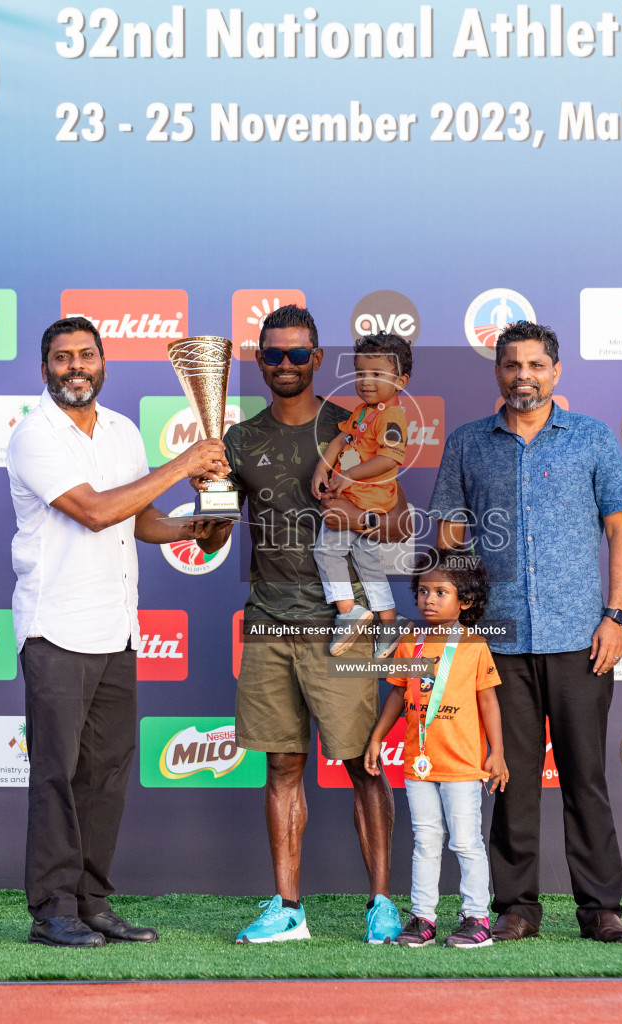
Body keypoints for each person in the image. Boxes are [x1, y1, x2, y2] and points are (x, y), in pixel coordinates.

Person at [7, 316, 231, 948]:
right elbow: (98, 511)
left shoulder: (124, 431)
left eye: (85, 355)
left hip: (117, 628)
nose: (75, 366)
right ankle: (52, 909)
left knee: (104, 775)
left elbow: (141, 520)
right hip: (55, 627)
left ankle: (92, 901)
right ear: (44, 368)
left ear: (103, 362)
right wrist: (185, 459)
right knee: (57, 772)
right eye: (62, 358)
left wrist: (197, 528)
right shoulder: (35, 435)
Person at [203, 305, 412, 944]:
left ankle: (381, 904)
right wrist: (208, 495)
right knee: (283, 769)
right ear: (259, 361)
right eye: (274, 355)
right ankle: (288, 908)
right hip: (269, 625)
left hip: (342, 627)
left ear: (319, 360)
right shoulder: (237, 440)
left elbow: (401, 529)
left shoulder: (357, 424)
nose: (286, 365)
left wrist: (361, 523)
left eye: (299, 355)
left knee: (364, 765)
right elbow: (212, 540)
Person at [428, 320, 622, 943]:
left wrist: (617, 616)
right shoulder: (469, 443)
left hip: (582, 637)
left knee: (585, 778)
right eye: (512, 365)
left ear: (556, 371)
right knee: (509, 778)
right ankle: (516, 906)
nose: (524, 376)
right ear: (497, 372)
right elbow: (447, 534)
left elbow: (620, 534)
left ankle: (600, 907)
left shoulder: (593, 439)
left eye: (536, 365)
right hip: (498, 644)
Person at [365, 548, 507, 948]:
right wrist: (377, 736)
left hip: (462, 764)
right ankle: (422, 919)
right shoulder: (411, 641)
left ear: (465, 600)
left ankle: (476, 918)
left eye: (441, 592)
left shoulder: (474, 646)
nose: (429, 599)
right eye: (423, 591)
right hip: (419, 764)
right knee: (425, 841)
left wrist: (496, 752)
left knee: (465, 841)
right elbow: (396, 693)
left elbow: (488, 701)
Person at [311, 332, 412, 656]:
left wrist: (345, 475)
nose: (366, 382)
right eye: (360, 374)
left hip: (359, 501)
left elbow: (390, 458)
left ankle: (348, 612)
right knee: (368, 563)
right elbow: (342, 441)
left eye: (377, 375)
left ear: (401, 381)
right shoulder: (364, 411)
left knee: (327, 552)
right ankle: (388, 621)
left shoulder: (392, 415)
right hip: (357, 496)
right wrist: (322, 468)